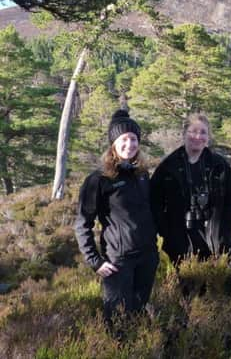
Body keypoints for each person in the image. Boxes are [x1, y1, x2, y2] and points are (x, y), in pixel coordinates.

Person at [75, 109, 159, 326]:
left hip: (147, 257)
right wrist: (95, 261)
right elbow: (82, 224)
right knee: (117, 320)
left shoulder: (142, 175)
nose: (129, 144)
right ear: (113, 143)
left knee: (139, 314)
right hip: (118, 261)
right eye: (124, 139)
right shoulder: (99, 180)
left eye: (133, 138)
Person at [150, 113, 231, 265]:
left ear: (209, 137)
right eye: (193, 131)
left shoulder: (219, 166)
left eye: (203, 132)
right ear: (184, 134)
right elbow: (154, 202)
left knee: (224, 283)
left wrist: (225, 228)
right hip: (180, 242)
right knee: (188, 285)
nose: (198, 136)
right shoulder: (168, 167)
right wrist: (167, 232)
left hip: (217, 239)